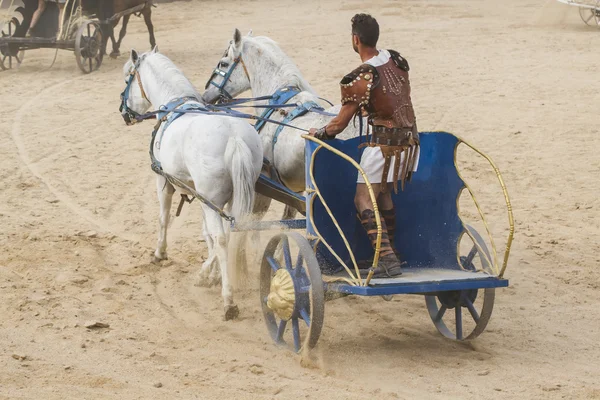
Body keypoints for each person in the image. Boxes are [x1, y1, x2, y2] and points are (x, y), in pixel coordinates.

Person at [309, 13, 420, 278]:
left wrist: (321, 132)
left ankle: (387, 260)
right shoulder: (395, 59)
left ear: (355, 40)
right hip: (410, 142)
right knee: (382, 194)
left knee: (362, 197)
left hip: (383, 146)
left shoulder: (360, 77)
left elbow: (338, 125)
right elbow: (390, 98)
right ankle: (390, 252)